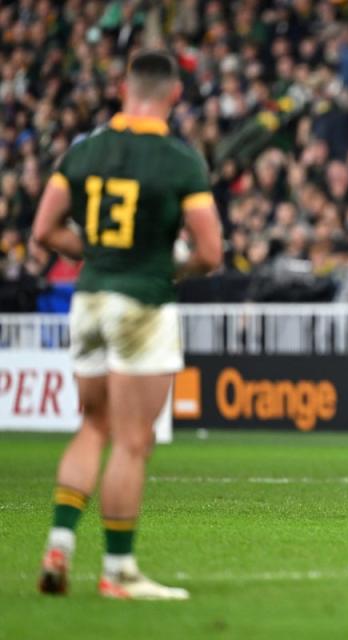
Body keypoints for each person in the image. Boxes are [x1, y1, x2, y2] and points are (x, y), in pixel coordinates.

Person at [33, 50, 223, 600]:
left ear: (123, 87)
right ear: (174, 95)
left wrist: (95, 251)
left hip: (88, 295)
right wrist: (171, 267)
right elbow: (210, 252)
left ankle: (58, 546)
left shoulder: (84, 151)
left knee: (92, 426)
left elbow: (44, 230)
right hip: (141, 300)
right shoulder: (179, 160)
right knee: (134, 441)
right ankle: (118, 571)